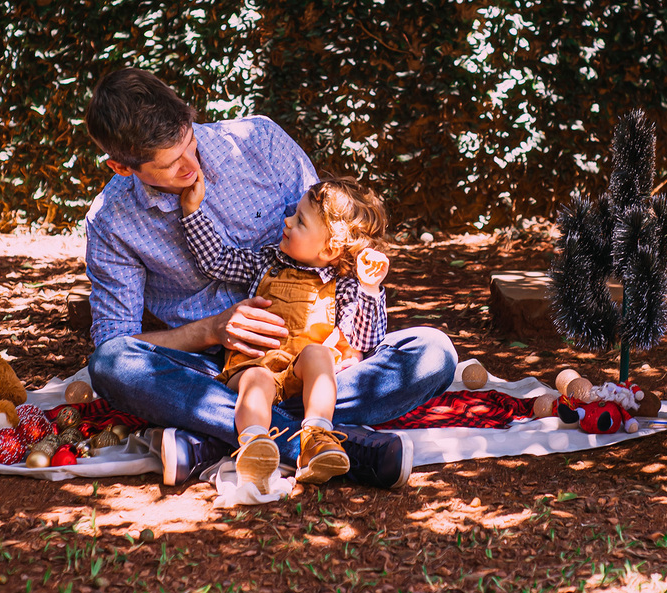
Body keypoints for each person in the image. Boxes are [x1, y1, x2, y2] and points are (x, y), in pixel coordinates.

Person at [82, 67, 458, 488]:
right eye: (171, 165)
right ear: (121, 167)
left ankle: (221, 439)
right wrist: (210, 330)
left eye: (190, 143)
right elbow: (117, 341)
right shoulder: (111, 221)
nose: (191, 165)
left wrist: (348, 329)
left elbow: (331, 244)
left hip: (310, 360)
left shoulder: (260, 141)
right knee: (112, 365)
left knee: (433, 352)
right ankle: (327, 444)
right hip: (214, 371)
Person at [179, 173, 392, 491]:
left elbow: (364, 342)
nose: (287, 221)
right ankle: (255, 445)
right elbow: (216, 261)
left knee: (319, 354)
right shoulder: (265, 261)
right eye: (294, 214)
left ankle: (317, 435)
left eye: (300, 221)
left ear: (330, 249)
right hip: (254, 364)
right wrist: (193, 212)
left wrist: (370, 289)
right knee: (257, 381)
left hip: (300, 375)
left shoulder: (345, 285)